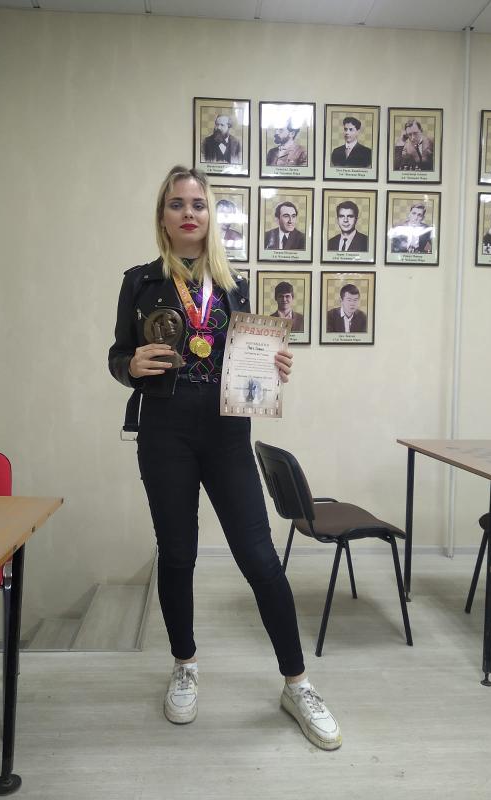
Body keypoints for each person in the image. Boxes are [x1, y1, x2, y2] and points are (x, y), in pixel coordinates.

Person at [108, 165, 341, 750]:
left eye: (198, 204)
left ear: (211, 216)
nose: (189, 213)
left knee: (260, 558)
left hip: (227, 434)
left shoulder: (235, 286)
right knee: (178, 554)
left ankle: (298, 684)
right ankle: (185, 665)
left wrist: (275, 365)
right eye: (177, 204)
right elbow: (118, 355)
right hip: (165, 433)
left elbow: (249, 361)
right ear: (163, 216)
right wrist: (129, 366)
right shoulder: (139, 282)